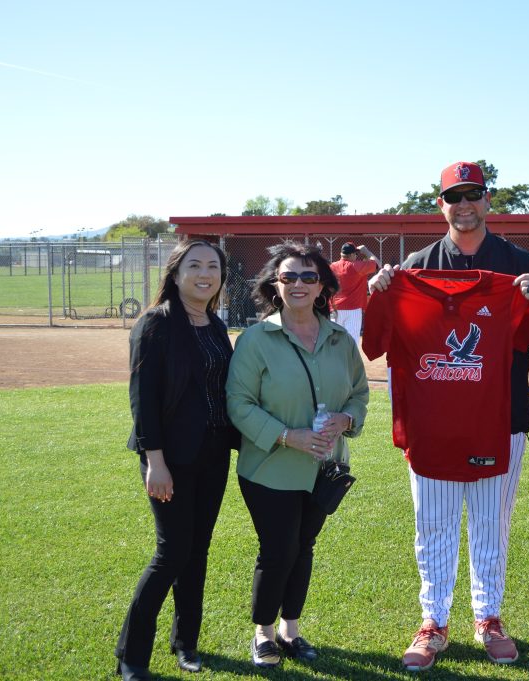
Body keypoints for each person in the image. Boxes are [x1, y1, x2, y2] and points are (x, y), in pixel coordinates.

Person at [366, 161, 529, 672]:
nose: (464, 204)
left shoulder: (517, 263)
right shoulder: (416, 265)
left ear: (488, 200)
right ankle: (434, 621)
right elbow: (375, 344)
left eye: (473, 194)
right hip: (432, 426)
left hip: (502, 419)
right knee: (434, 526)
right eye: (455, 196)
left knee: (492, 526)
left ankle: (488, 617)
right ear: (441, 205)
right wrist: (382, 291)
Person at [226, 242, 369, 669]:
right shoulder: (256, 339)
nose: (300, 284)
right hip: (270, 468)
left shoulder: (340, 338)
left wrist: (346, 419)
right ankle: (263, 634)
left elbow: (360, 394)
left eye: (309, 276)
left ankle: (291, 630)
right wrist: (289, 436)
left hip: (322, 468)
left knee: (303, 547)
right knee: (278, 549)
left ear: (324, 285)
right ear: (275, 284)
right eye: (289, 276)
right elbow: (239, 403)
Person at [116, 240, 241, 681]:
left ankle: (186, 643)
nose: (205, 273)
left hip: (212, 454)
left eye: (213, 266)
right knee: (171, 554)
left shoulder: (213, 324)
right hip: (168, 457)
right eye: (195, 265)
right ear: (174, 273)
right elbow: (142, 400)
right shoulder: (155, 324)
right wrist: (155, 460)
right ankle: (132, 657)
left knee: (198, 551)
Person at [330, 242, 380, 343]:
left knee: (333, 344)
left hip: (334, 309)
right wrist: (366, 251)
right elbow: (377, 264)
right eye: (356, 254)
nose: (357, 256)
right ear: (352, 255)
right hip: (352, 310)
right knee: (351, 343)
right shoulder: (356, 266)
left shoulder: (332, 266)